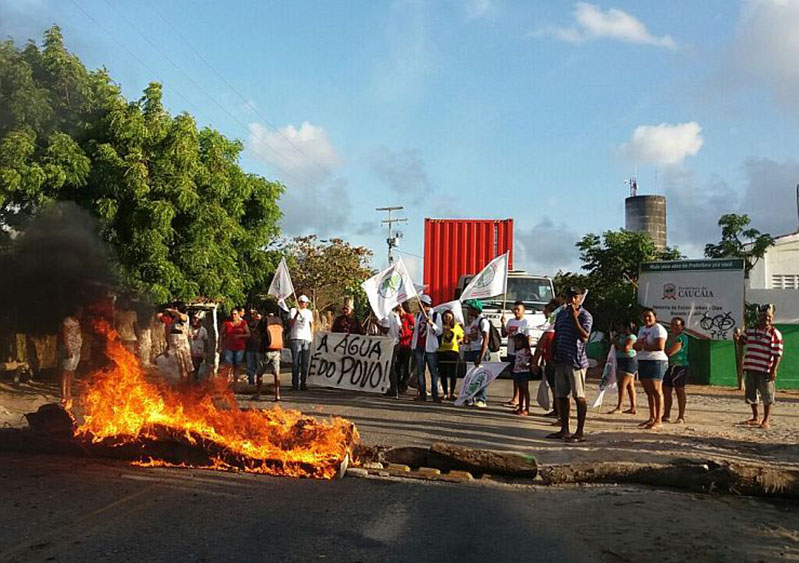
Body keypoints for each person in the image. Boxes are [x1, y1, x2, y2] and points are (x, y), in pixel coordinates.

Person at [546, 288, 592, 443]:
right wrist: (552, 355)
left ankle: (579, 432)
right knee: (561, 396)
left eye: (575, 297)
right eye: (569, 296)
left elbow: (585, 336)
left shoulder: (585, 315)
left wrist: (574, 318)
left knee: (579, 396)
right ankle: (564, 429)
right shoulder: (561, 314)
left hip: (576, 362)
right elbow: (556, 334)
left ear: (580, 298)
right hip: (561, 360)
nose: (572, 299)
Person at [736, 304, 783, 429]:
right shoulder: (750, 330)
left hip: (765, 370)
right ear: (759, 317)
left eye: (769, 317)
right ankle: (756, 417)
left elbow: (777, 354)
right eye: (763, 316)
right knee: (751, 394)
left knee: (767, 395)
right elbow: (743, 341)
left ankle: (766, 420)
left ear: (772, 318)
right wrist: (738, 338)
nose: (766, 319)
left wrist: (774, 370)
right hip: (751, 368)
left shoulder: (774, 333)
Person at [633, 308, 668, 430]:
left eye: (649, 316)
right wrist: (640, 346)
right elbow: (636, 345)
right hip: (643, 360)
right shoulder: (642, 329)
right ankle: (652, 417)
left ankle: (659, 419)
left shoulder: (658, 328)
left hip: (656, 361)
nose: (646, 319)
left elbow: (659, 346)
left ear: (655, 317)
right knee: (648, 391)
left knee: (656, 390)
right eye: (644, 316)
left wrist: (643, 346)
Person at [531, 298, 561, 418]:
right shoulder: (561, 329)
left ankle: (559, 413)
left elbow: (539, 349)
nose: (544, 312)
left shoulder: (549, 331)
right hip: (558, 362)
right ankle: (557, 410)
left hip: (551, 362)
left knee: (555, 390)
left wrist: (534, 363)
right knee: (557, 389)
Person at [501, 301, 533, 408]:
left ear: (523, 311)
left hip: (521, 354)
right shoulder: (510, 321)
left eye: (518, 309)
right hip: (511, 351)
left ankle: (521, 400)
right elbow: (504, 334)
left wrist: (528, 353)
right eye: (514, 309)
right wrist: (502, 323)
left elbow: (528, 337)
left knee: (521, 378)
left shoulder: (525, 323)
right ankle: (515, 397)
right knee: (514, 376)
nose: (516, 311)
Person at [411, 295, 442, 402]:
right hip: (419, 347)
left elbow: (439, 331)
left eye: (421, 305)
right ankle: (422, 393)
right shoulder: (419, 316)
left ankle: (435, 394)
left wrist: (431, 324)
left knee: (433, 371)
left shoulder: (435, 315)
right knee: (420, 371)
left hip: (430, 348)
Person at [462, 299, 491, 408]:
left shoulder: (483, 321)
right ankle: (470, 397)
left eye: (470, 308)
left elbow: (485, 339)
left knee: (481, 376)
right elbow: (473, 336)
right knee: (471, 375)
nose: (468, 310)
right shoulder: (474, 321)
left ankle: (481, 399)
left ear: (475, 309)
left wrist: (481, 355)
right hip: (471, 350)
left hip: (479, 351)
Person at [607, 321, 638, 415]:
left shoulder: (631, 337)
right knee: (630, 385)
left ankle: (619, 406)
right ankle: (633, 406)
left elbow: (626, 348)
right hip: (621, 360)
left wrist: (617, 343)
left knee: (622, 384)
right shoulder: (621, 336)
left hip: (628, 360)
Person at [256, 303, 284, 402]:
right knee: (277, 373)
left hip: (265, 350)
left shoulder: (264, 320)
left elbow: (258, 332)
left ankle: (258, 394)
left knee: (260, 373)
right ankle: (277, 395)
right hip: (277, 350)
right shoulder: (279, 320)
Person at [158, 302, 192, 383]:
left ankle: (188, 388)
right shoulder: (172, 321)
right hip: (173, 349)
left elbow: (181, 316)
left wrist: (172, 310)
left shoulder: (185, 317)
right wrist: (168, 346)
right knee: (175, 371)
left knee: (186, 370)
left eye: (173, 307)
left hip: (182, 348)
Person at [663, 316, 689, 423]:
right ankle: (666, 414)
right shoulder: (668, 337)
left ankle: (681, 416)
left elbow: (671, 351)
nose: (674, 327)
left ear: (682, 327)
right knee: (666, 390)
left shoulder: (681, 337)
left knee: (679, 390)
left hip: (680, 366)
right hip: (668, 366)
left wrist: (661, 351)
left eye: (677, 325)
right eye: (672, 324)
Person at [437, 309, 464, 401]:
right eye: (445, 317)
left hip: (453, 351)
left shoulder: (456, 326)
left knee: (453, 373)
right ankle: (445, 392)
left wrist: (458, 341)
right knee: (443, 373)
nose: (447, 318)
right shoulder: (440, 326)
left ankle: (451, 393)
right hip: (441, 351)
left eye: (449, 317)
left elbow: (463, 336)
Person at [59, 305, 83, 409]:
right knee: (65, 371)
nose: (81, 314)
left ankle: (68, 392)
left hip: (76, 350)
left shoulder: (77, 322)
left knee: (70, 371)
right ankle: (64, 395)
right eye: (80, 312)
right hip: (69, 349)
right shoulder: (67, 321)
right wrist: (68, 349)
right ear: (75, 312)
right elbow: (64, 335)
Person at [220, 307, 250, 391]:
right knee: (228, 365)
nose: (233, 316)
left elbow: (248, 334)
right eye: (232, 314)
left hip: (240, 347)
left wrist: (240, 336)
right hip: (229, 347)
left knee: (237, 365)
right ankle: (225, 384)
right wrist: (220, 345)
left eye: (235, 314)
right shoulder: (226, 323)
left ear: (238, 314)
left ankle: (235, 383)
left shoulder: (243, 323)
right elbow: (221, 334)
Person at [289, 295, 314, 390]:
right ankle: (294, 384)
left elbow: (311, 324)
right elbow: (291, 324)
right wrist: (296, 314)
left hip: (306, 338)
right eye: (302, 302)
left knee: (305, 363)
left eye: (305, 302)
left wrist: (311, 336)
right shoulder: (293, 310)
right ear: (298, 302)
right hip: (296, 337)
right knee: (295, 362)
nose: (304, 304)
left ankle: (303, 383)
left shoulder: (309, 312)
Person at [380, 304, 403, 398]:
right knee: (391, 366)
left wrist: (376, 323)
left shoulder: (386, 315)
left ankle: (394, 389)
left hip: (389, 343)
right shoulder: (395, 315)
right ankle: (392, 387)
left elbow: (386, 329)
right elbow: (400, 329)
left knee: (390, 367)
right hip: (396, 342)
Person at [511, 333, 533, 416]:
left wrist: (528, 365)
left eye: (518, 342)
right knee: (520, 390)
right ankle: (520, 407)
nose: (516, 343)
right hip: (517, 371)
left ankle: (527, 408)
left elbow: (532, 359)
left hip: (524, 372)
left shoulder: (526, 350)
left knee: (525, 390)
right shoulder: (517, 351)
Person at [396, 302, 415, 393]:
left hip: (407, 345)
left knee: (407, 366)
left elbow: (414, 327)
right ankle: (397, 384)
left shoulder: (408, 316)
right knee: (397, 366)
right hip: (398, 344)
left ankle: (404, 385)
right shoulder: (396, 317)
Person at [245, 308, 264, 386]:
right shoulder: (247, 323)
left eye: (254, 314)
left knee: (259, 367)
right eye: (251, 314)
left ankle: (259, 383)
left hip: (259, 347)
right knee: (250, 366)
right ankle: (251, 381)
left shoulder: (261, 323)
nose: (252, 315)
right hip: (249, 347)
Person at [189, 313, 209, 380]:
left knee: (197, 367)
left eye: (196, 319)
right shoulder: (188, 328)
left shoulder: (203, 330)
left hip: (199, 351)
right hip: (189, 351)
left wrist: (206, 352)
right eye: (193, 319)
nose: (194, 321)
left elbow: (206, 341)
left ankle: (196, 381)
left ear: (200, 321)